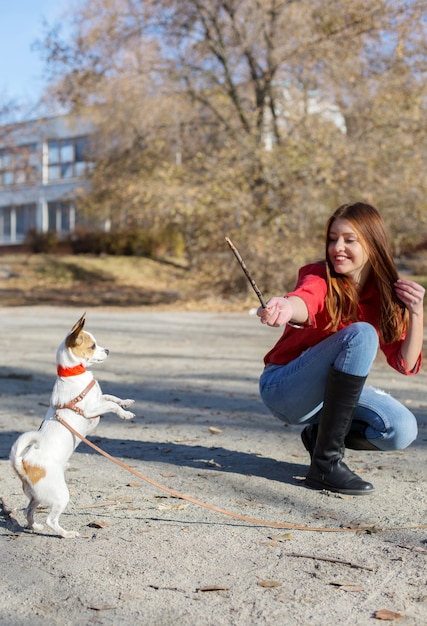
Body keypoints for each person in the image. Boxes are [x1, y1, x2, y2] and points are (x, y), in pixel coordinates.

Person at [257, 202, 425, 496]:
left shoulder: (385, 295)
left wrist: (417, 312)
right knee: (361, 333)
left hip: (332, 398)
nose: (337, 247)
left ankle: (320, 438)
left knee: (401, 430)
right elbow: (304, 300)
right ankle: (326, 464)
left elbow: (406, 364)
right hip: (285, 388)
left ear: (373, 244)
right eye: (333, 239)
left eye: (349, 240)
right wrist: (285, 306)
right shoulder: (320, 276)